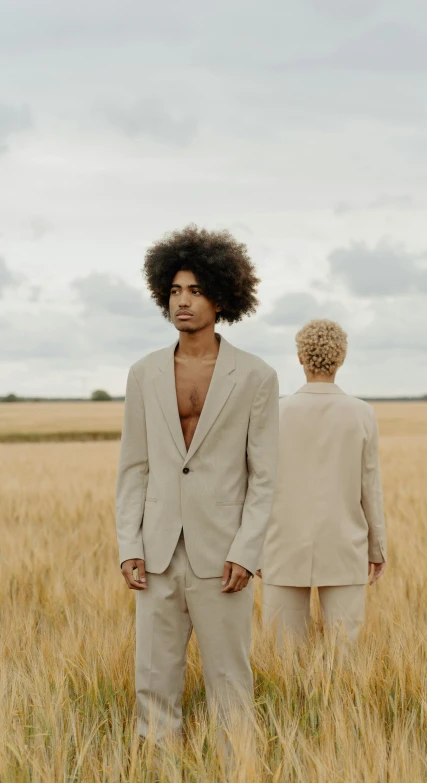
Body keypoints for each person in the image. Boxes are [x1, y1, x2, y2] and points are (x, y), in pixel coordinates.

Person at [115, 224, 279, 744]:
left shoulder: (256, 376)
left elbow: (264, 477)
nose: (182, 302)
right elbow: (133, 468)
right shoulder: (143, 374)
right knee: (153, 683)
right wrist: (129, 545)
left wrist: (247, 551)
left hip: (223, 556)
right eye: (174, 291)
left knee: (230, 683)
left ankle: (239, 769)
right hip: (157, 553)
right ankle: (157, 770)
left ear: (223, 296)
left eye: (196, 290)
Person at [259, 319, 386, 647]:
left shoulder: (274, 412)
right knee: (345, 657)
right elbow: (369, 486)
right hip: (345, 545)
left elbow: (257, 484)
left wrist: (252, 549)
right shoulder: (362, 414)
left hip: (281, 545)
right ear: (341, 358)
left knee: (282, 658)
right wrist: (377, 548)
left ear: (300, 358)